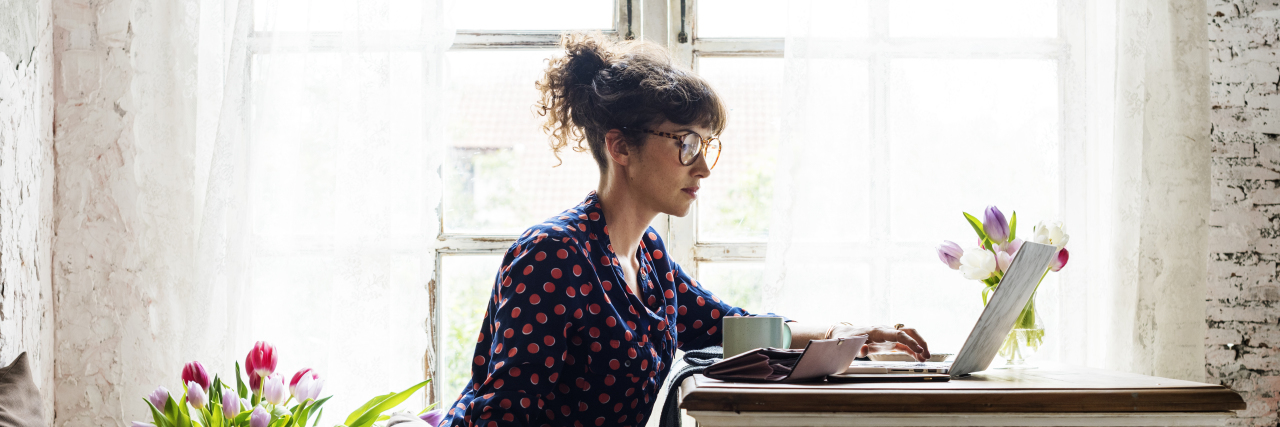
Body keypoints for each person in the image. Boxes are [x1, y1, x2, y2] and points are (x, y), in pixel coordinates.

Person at [438, 33, 930, 427]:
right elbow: (505, 415)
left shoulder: (648, 257)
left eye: (706, 146)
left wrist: (847, 333)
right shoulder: (553, 254)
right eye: (686, 143)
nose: (703, 168)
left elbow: (734, 328)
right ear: (620, 147)